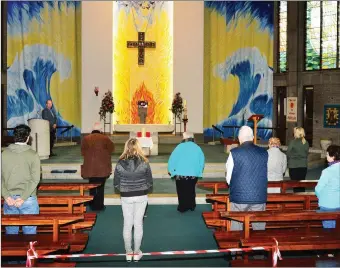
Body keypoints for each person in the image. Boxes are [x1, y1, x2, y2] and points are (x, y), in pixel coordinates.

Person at [113, 138, 153, 262]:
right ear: (139, 147)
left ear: (126, 147)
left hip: (126, 196)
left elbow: (116, 183)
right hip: (141, 195)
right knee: (138, 223)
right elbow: (150, 182)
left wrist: (124, 189)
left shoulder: (120, 162)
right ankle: (136, 252)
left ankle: (128, 252)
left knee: (127, 224)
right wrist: (143, 188)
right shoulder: (145, 162)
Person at [226, 126, 268, 231]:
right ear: (253, 137)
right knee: (259, 229)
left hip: (239, 197)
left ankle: (236, 247)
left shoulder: (234, 152)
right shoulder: (264, 152)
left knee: (237, 228)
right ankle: (259, 246)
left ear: (239, 138)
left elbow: (228, 178)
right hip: (259, 196)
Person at [1, 124, 41, 234]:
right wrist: (23, 198)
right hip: (28, 198)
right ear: (28, 138)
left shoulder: (3, 154)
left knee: (11, 233)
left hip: (9, 199)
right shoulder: (33, 155)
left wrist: (6, 195)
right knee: (30, 233)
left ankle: (12, 252)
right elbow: (35, 179)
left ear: (14, 137)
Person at [168, 132, 205, 213]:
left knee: (181, 190)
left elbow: (172, 159)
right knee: (191, 189)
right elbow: (202, 160)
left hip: (180, 173)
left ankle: (182, 207)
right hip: (193, 173)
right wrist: (200, 170)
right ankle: (191, 205)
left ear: (184, 138)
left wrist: (171, 170)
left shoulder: (179, 147)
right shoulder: (197, 147)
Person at [81, 122, 114, 211]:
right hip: (102, 167)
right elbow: (111, 149)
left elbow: (82, 152)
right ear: (101, 130)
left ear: (92, 129)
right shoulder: (105, 138)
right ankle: (99, 206)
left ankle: (92, 204)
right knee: (100, 187)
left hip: (90, 167)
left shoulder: (86, 138)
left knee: (91, 186)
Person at [315, 145, 340, 229]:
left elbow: (318, 189)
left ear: (333, 156)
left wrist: (320, 197)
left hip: (328, 205)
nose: (326, 156)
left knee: (329, 229)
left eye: (327, 154)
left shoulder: (327, 171)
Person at [286, 127, 309, 192]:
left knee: (295, 184)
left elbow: (288, 153)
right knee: (302, 184)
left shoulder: (293, 142)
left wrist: (293, 156)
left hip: (294, 166)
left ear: (296, 133)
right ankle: (303, 199)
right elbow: (306, 154)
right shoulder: (306, 142)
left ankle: (297, 199)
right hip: (303, 165)